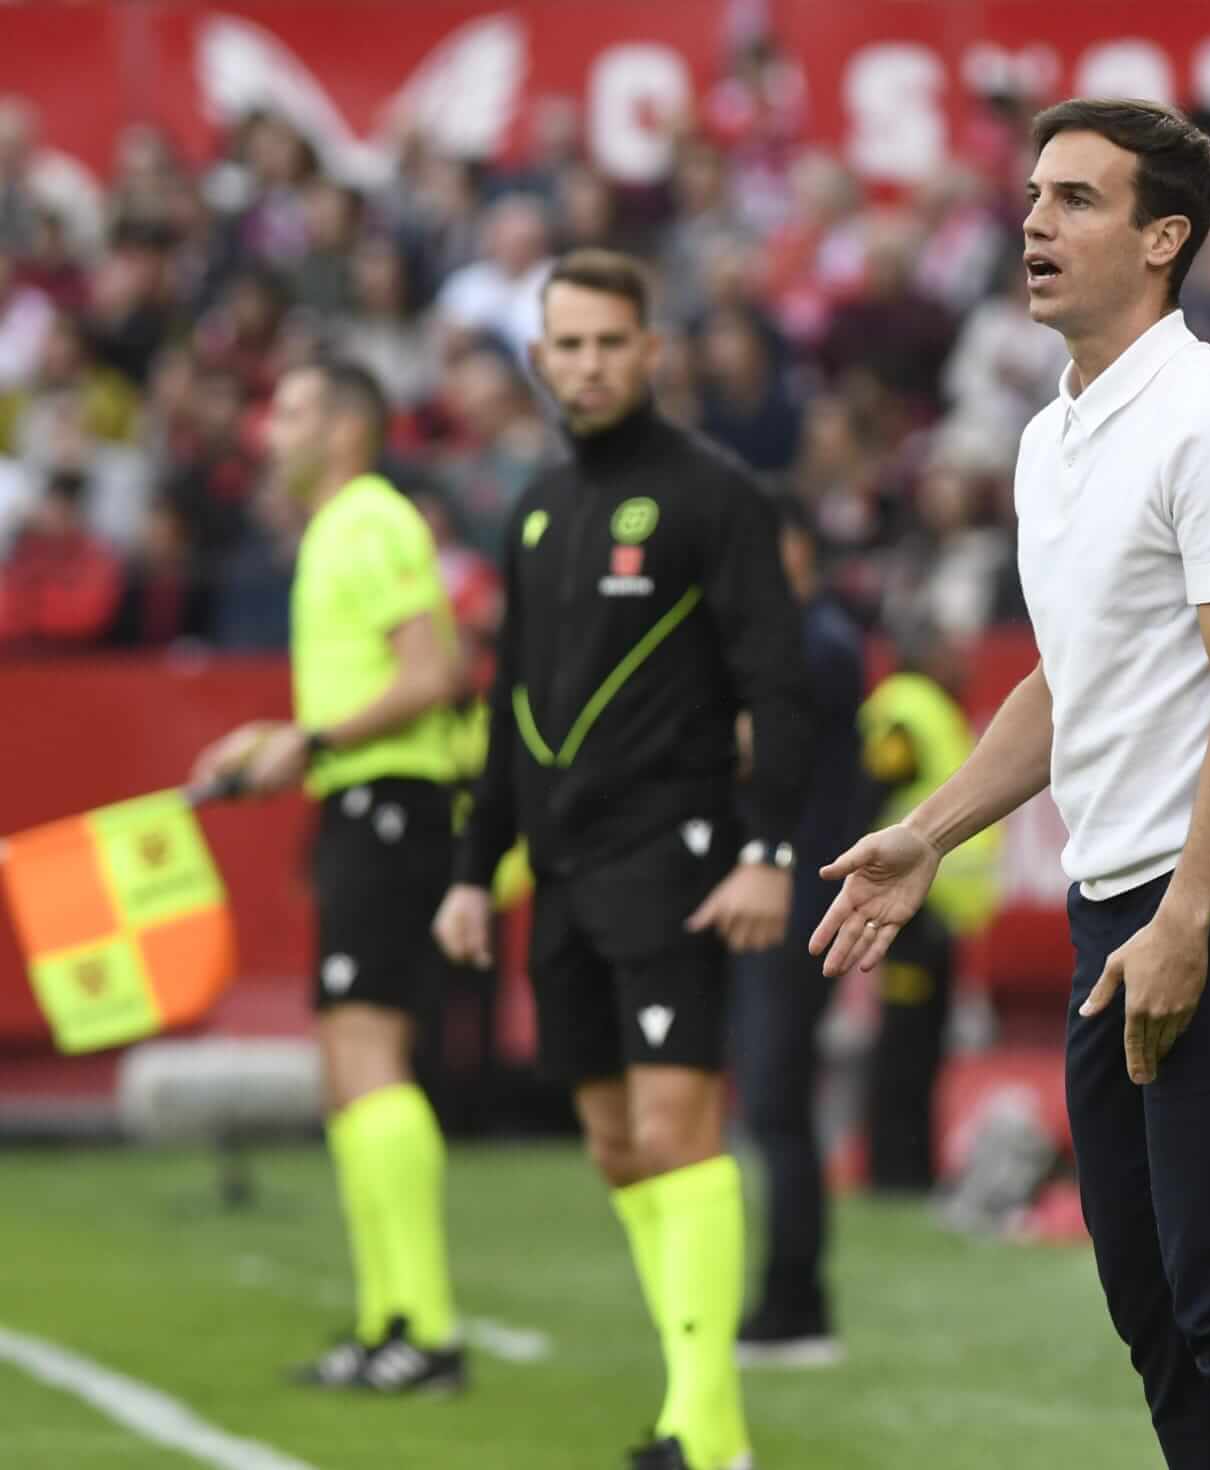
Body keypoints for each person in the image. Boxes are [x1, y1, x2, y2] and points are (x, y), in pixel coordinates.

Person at [812, 99, 1210, 1468]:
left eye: (1077, 199)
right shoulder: (1050, 437)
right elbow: (1071, 682)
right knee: (1156, 1305)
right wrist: (930, 832)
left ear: (1165, 237)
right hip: (1120, 905)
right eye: (1035, 195)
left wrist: (1185, 917)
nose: (1035, 223)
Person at [432, 249, 809, 1470]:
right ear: (537, 361)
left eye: (610, 342)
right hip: (561, 874)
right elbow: (509, 709)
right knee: (614, 1144)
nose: (588, 365)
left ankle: (709, 1432)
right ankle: (687, 1412)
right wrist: (467, 869)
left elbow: (777, 684)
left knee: (676, 1122)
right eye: (568, 345)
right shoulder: (535, 505)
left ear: (653, 353)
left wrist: (768, 851)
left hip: (678, 857)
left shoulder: (715, 497)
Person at [188, 359, 468, 1392]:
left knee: (368, 1050)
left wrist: (307, 740)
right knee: (349, 1062)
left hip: (392, 804)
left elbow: (431, 675)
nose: (270, 429)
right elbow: (366, 696)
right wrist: (278, 742)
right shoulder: (342, 526)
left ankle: (425, 1331)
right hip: (364, 800)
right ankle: (387, 1319)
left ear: (349, 427)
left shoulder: (370, 520)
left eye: (295, 410)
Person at [731, 494, 866, 1367]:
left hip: (798, 901)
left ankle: (794, 1303)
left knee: (778, 1106)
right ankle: (783, 1297)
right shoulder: (810, 641)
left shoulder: (814, 645)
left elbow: (747, 745)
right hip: (780, 897)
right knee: (767, 1107)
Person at [855, 633, 1003, 1194]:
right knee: (904, 1043)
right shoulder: (906, 714)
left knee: (923, 1044)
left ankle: (912, 1167)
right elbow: (871, 793)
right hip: (907, 915)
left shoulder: (930, 712)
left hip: (930, 913)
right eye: (948, 651)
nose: (961, 661)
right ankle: (894, 1170)